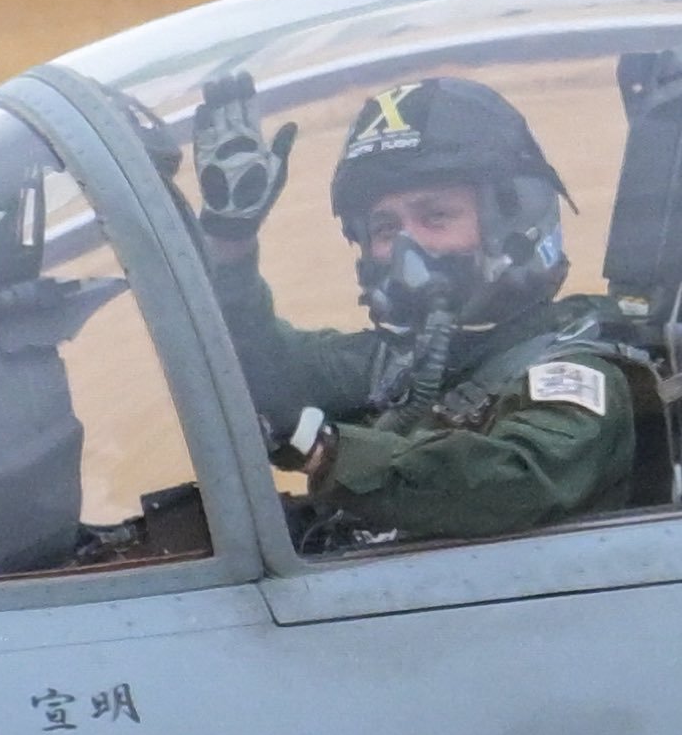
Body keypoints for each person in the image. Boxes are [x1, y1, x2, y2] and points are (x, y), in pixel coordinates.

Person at [191, 73, 636, 543]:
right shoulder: (396, 364)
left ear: (511, 221)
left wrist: (323, 449)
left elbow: (514, 481)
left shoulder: (576, 373)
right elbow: (256, 363)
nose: (408, 246)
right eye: (386, 228)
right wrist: (230, 242)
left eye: (436, 216)